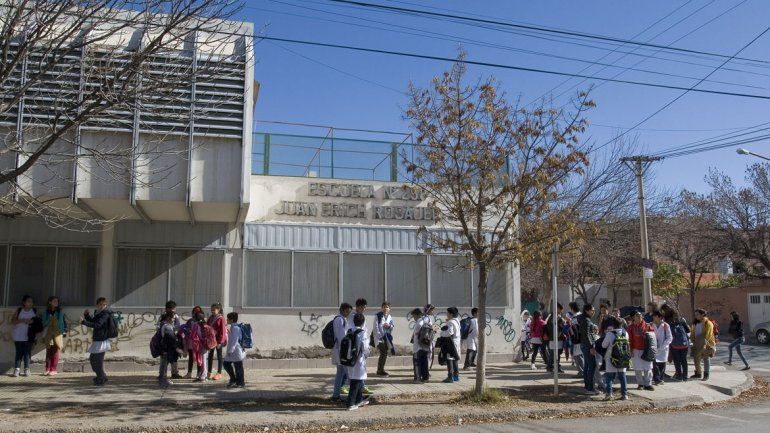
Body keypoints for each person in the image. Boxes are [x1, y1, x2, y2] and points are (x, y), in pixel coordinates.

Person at [80, 297, 111, 386]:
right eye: (100, 304)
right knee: (93, 359)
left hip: (102, 341)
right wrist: (87, 316)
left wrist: (84, 322)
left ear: (106, 305)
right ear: (97, 305)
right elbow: (93, 321)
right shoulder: (98, 313)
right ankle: (102, 376)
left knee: (98, 361)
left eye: (104, 304)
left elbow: (97, 325)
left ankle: (100, 378)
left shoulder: (105, 314)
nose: (102, 306)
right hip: (97, 340)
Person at [346, 313, 370, 410]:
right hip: (359, 359)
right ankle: (350, 403)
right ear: (363, 322)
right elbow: (365, 348)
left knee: (358, 379)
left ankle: (359, 399)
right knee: (355, 381)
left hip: (350, 359)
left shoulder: (349, 331)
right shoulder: (362, 333)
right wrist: (366, 355)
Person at [348, 299, 372, 395]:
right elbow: (355, 332)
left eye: (364, 307)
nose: (363, 309)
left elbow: (364, 331)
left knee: (358, 371)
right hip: (356, 347)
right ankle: (356, 394)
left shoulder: (361, 316)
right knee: (355, 373)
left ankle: (361, 388)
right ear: (357, 307)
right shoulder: (352, 317)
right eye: (361, 307)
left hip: (361, 347)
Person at [602, 316, 629, 401]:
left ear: (613, 325)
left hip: (611, 358)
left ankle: (609, 394)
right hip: (623, 358)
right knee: (622, 377)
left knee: (609, 377)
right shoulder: (626, 333)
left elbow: (603, 345)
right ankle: (625, 395)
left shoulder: (610, 334)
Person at [331, 303, 353, 403]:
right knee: (349, 374)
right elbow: (341, 337)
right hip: (342, 351)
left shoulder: (338, 319)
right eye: (348, 311)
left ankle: (336, 396)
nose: (349, 314)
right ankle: (353, 397)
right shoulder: (340, 319)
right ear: (343, 310)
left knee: (340, 374)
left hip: (339, 351)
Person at [11, 295, 37, 377]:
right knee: (18, 352)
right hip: (18, 335)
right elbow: (13, 321)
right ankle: (17, 369)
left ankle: (27, 369)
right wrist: (22, 320)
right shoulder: (19, 310)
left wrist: (32, 322)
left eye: (32, 302)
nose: (31, 303)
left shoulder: (34, 311)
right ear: (24, 302)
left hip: (29, 336)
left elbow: (38, 323)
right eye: (29, 301)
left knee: (27, 353)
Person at [41, 296, 67, 376]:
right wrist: (49, 320)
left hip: (57, 333)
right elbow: (43, 323)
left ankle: (53, 369)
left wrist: (62, 332)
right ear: (50, 302)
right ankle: (47, 368)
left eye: (57, 301)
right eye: (54, 301)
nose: (56, 302)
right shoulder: (46, 312)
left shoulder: (60, 312)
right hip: (48, 333)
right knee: (49, 350)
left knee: (55, 350)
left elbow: (61, 323)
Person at [628, 312, 654, 391]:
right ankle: (640, 384)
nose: (638, 318)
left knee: (648, 367)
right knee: (637, 368)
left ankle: (648, 384)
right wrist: (630, 349)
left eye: (640, 316)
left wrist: (652, 350)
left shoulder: (648, 326)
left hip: (646, 350)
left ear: (642, 317)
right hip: (636, 350)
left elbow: (653, 338)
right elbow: (629, 339)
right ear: (634, 318)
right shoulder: (631, 327)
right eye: (636, 316)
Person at [157, 300, 182, 379]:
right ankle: (162, 374)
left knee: (174, 357)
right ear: (167, 309)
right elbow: (158, 327)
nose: (173, 310)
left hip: (174, 340)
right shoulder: (162, 317)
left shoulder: (176, 316)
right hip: (165, 342)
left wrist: (176, 332)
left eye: (174, 309)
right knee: (164, 358)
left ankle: (174, 373)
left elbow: (178, 326)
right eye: (171, 309)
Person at [578, 304, 599, 394]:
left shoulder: (584, 319)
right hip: (587, 345)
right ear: (586, 310)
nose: (593, 312)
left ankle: (587, 386)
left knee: (587, 366)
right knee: (592, 365)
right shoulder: (586, 320)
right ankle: (590, 387)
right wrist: (591, 347)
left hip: (584, 345)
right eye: (592, 310)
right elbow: (586, 334)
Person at [691, 309, 716, 381]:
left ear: (702, 315)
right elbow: (692, 333)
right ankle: (698, 373)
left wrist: (704, 343)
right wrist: (693, 341)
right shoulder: (695, 323)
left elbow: (708, 335)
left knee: (706, 358)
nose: (696, 316)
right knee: (696, 359)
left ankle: (706, 374)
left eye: (697, 314)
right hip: (696, 343)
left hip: (706, 343)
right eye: (695, 314)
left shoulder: (708, 323)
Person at [224, 312, 247, 388]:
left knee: (238, 367)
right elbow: (232, 338)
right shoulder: (233, 327)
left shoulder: (236, 328)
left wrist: (230, 350)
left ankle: (240, 383)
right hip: (233, 351)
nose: (227, 320)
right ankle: (234, 379)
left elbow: (235, 340)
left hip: (236, 351)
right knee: (226, 364)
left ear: (232, 320)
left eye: (228, 318)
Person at [668, 310, 691, 382]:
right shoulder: (682, 321)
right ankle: (685, 376)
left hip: (675, 345)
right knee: (684, 360)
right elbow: (688, 331)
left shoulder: (669, 323)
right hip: (684, 344)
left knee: (677, 360)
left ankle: (679, 376)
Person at [373, 302, 395, 377]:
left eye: (387, 307)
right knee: (383, 352)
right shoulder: (378, 316)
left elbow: (392, 326)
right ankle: (380, 370)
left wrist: (389, 326)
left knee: (384, 353)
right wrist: (380, 336)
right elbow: (375, 328)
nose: (386, 308)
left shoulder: (389, 317)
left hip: (386, 338)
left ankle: (380, 369)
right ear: (381, 308)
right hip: (379, 338)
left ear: (389, 309)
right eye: (384, 307)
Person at [207, 303, 228, 381]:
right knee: (210, 356)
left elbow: (222, 331)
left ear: (218, 310)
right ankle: (209, 372)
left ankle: (219, 373)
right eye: (211, 309)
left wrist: (220, 342)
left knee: (219, 356)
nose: (212, 311)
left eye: (214, 310)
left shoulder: (221, 318)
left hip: (218, 340)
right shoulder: (210, 318)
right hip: (211, 340)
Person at [183, 306, 205, 379]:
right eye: (195, 312)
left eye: (197, 312)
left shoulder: (202, 322)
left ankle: (199, 373)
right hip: (191, 343)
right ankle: (189, 373)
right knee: (191, 358)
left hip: (198, 344)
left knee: (199, 358)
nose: (195, 314)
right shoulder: (190, 321)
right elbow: (185, 330)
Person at [157, 311, 178, 387]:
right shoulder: (167, 326)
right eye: (173, 318)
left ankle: (162, 378)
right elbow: (171, 338)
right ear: (168, 318)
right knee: (165, 364)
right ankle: (163, 379)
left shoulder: (164, 324)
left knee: (164, 363)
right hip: (166, 348)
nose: (174, 320)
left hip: (164, 347)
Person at [651, 311, 673, 385]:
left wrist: (663, 346)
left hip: (663, 348)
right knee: (655, 364)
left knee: (662, 365)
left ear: (659, 317)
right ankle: (657, 379)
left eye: (655, 316)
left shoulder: (666, 326)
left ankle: (660, 378)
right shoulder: (651, 325)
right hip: (654, 347)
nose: (653, 317)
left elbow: (669, 338)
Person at [441, 307, 461, 383]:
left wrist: (442, 333)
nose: (447, 314)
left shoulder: (451, 322)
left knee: (449, 359)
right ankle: (456, 376)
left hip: (451, 343)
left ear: (451, 314)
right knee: (455, 358)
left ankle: (450, 377)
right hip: (456, 342)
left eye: (447, 313)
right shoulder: (457, 321)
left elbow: (450, 332)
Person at [411, 308, 431, 383]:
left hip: (418, 347)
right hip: (425, 346)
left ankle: (417, 378)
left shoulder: (419, 323)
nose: (413, 318)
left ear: (416, 315)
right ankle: (425, 378)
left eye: (413, 316)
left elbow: (416, 335)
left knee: (417, 363)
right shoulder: (426, 320)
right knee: (424, 363)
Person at [546, 303, 566, 373]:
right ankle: (550, 367)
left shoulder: (558, 317)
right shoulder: (552, 317)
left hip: (559, 338)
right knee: (553, 354)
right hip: (553, 338)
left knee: (558, 354)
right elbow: (551, 327)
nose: (560, 311)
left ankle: (555, 367)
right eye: (560, 309)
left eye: (561, 310)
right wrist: (561, 322)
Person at [567, 302, 584, 377]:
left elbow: (574, 329)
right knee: (579, 356)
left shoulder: (576, 318)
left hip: (577, 340)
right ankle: (582, 372)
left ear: (572, 308)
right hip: (581, 339)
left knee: (578, 356)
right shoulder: (581, 316)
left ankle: (582, 372)